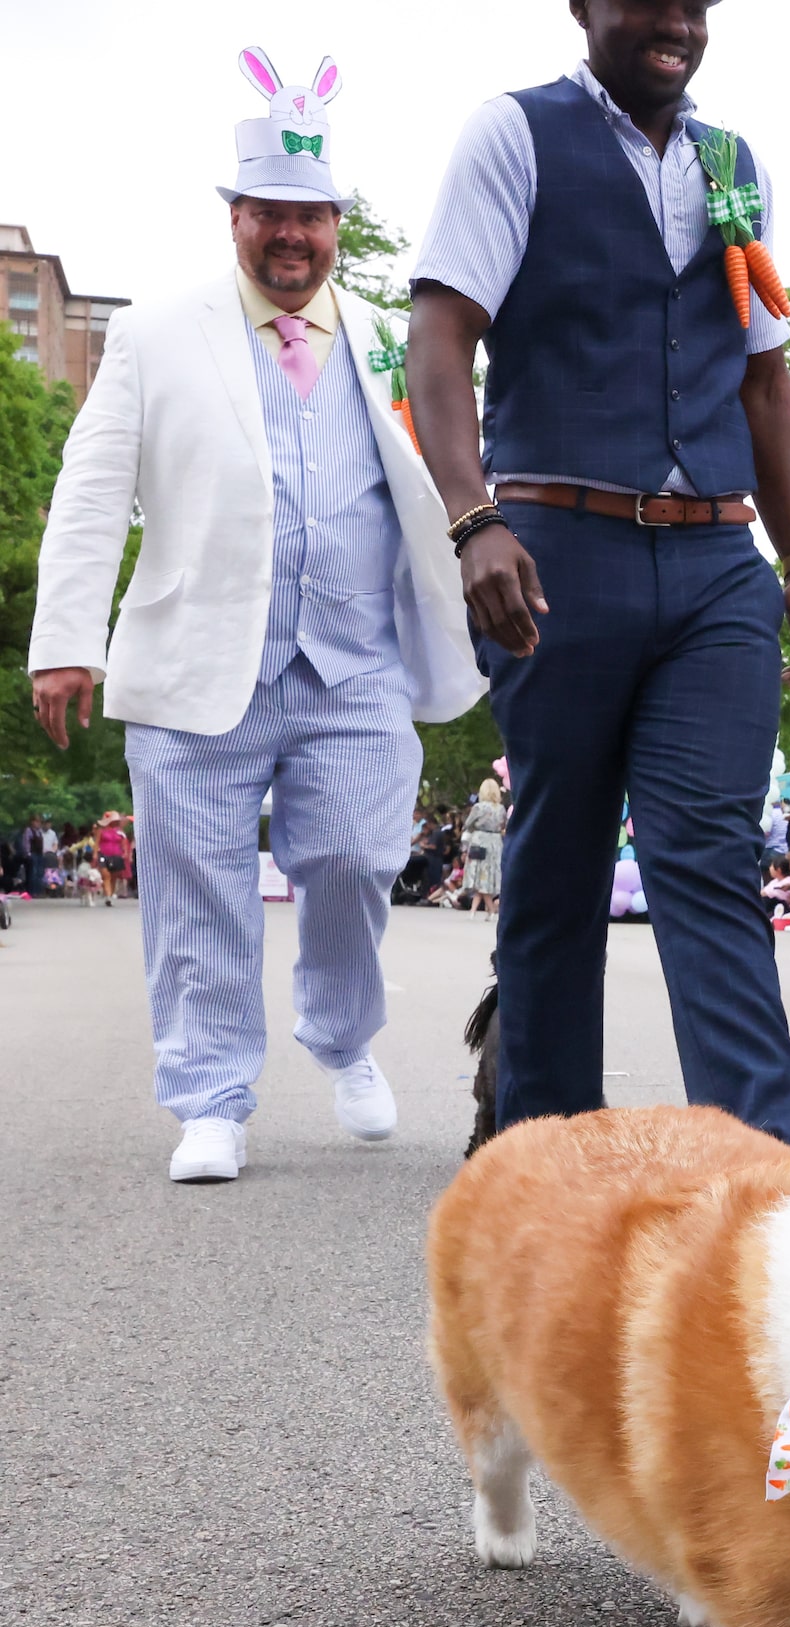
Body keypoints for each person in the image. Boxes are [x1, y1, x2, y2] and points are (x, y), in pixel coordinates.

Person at [26, 51, 483, 1183]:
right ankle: (212, 1098)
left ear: (337, 225)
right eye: (270, 215)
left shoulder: (392, 337)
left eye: (313, 219)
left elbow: (455, 471)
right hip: (195, 664)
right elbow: (91, 490)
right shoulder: (156, 333)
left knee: (357, 855)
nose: (293, 238)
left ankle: (339, 1035)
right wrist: (66, 642)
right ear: (235, 218)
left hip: (356, 664)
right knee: (194, 886)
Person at [408, 0, 790, 1150]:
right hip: (557, 552)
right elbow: (441, 335)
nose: (678, 24)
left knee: (710, 855)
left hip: (712, 562)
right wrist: (472, 517)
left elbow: (764, 379)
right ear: (583, 6)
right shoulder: (514, 135)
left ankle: (768, 1168)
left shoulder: (732, 162)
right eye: (650, 2)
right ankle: (539, 1154)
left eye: (697, 7)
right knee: (557, 863)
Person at [463, 777, 507, 915]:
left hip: (480, 840)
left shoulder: (478, 807)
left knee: (478, 871)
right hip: (495, 841)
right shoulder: (500, 809)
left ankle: (484, 907)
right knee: (490, 872)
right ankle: (485, 906)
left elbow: (468, 824)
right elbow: (503, 825)